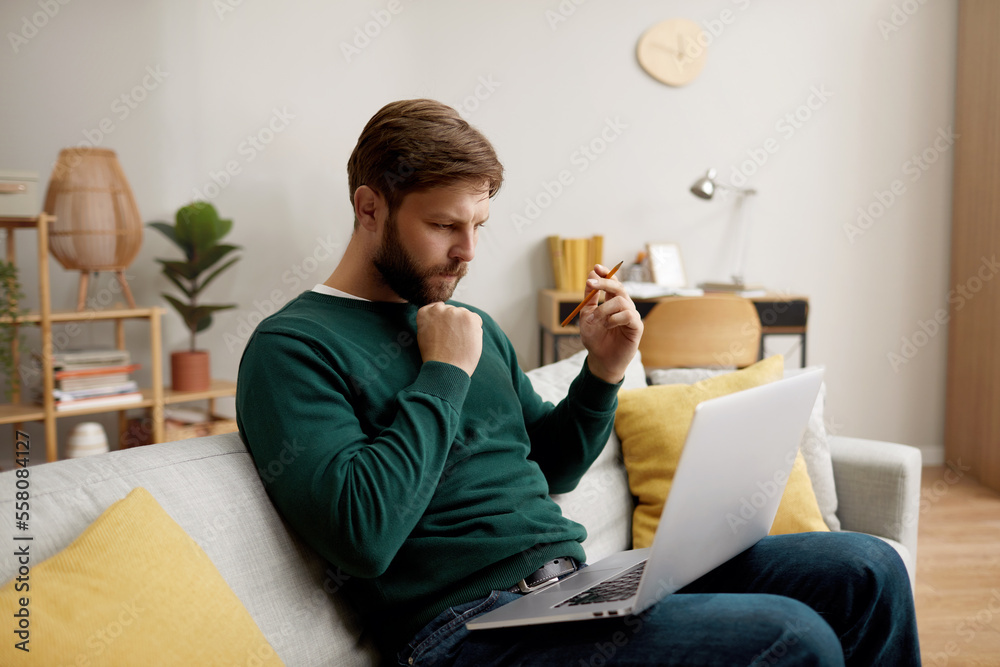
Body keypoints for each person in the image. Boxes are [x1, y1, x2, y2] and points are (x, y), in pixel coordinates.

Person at [236, 99, 921, 666]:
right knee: (790, 638)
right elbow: (362, 533)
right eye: (445, 225)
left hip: (580, 586)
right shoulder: (292, 348)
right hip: (463, 633)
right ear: (368, 207)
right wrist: (443, 371)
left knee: (868, 568)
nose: (469, 251)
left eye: (478, 224)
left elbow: (554, 465)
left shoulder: (470, 323)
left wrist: (604, 369)